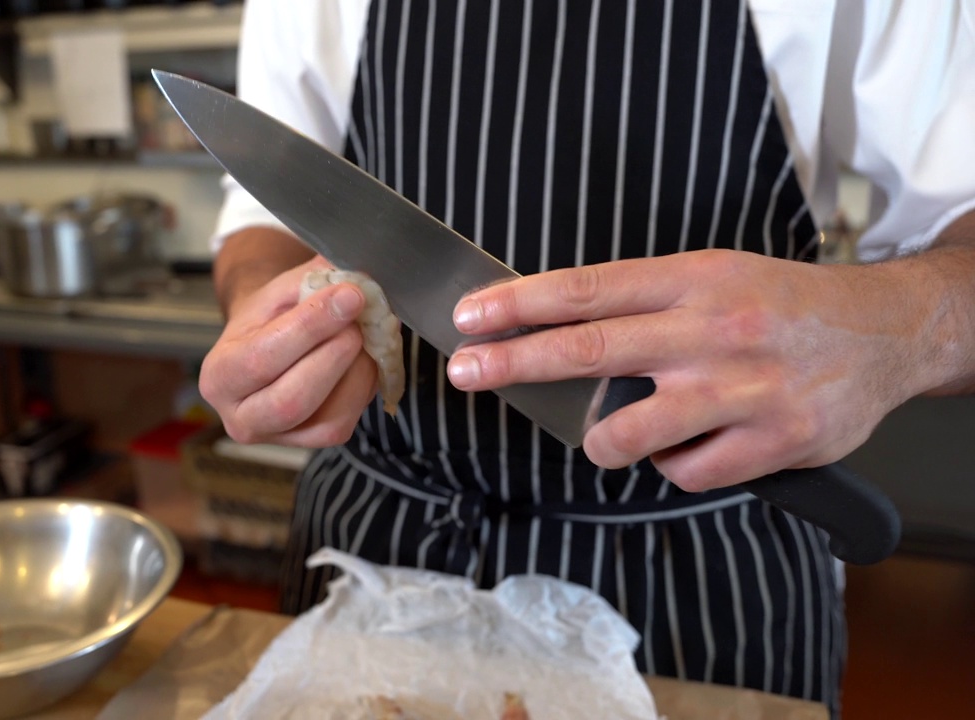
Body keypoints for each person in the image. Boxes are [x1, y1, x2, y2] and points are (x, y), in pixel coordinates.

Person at [200, 1, 975, 715]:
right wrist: (264, 311)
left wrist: (907, 324)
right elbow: (259, 226)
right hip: (378, 546)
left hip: (706, 576)